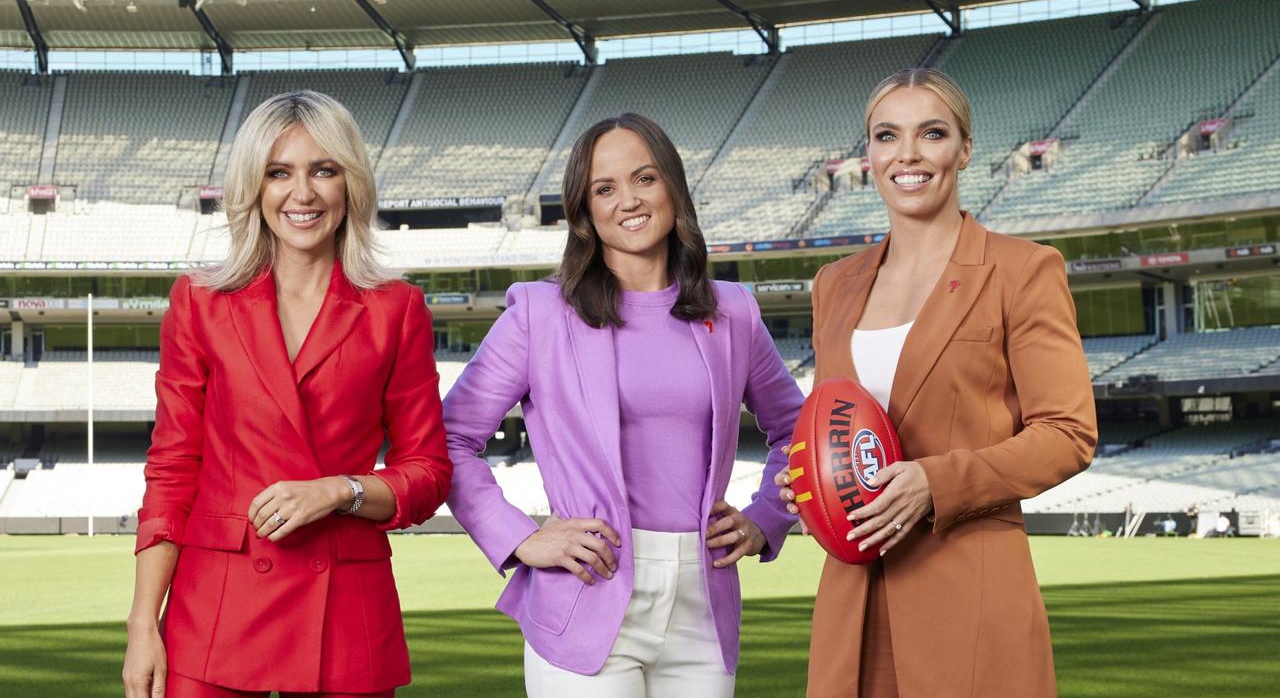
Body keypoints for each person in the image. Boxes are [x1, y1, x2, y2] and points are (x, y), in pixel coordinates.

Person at [443, 113, 804, 696]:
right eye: (604, 189)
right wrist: (520, 537)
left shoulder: (733, 311)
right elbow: (449, 438)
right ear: (583, 211)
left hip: (703, 605)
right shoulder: (538, 314)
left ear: (673, 189)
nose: (628, 201)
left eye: (645, 178)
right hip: (584, 595)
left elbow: (800, 431)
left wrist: (766, 519)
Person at [775, 68, 1097, 697]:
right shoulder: (833, 284)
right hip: (852, 598)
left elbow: (1068, 433)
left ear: (964, 149)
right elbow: (839, 424)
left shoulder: (1023, 269)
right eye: (887, 136)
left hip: (968, 594)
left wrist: (935, 481)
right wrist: (810, 480)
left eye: (932, 133)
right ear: (868, 155)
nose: (908, 155)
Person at [122, 91, 452, 698]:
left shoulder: (395, 309)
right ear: (255, 186)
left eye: (324, 170)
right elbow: (172, 469)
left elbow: (428, 473)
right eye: (280, 172)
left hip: (346, 616)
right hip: (216, 611)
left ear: (350, 184)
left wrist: (340, 490)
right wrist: (144, 623)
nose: (302, 194)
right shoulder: (199, 303)